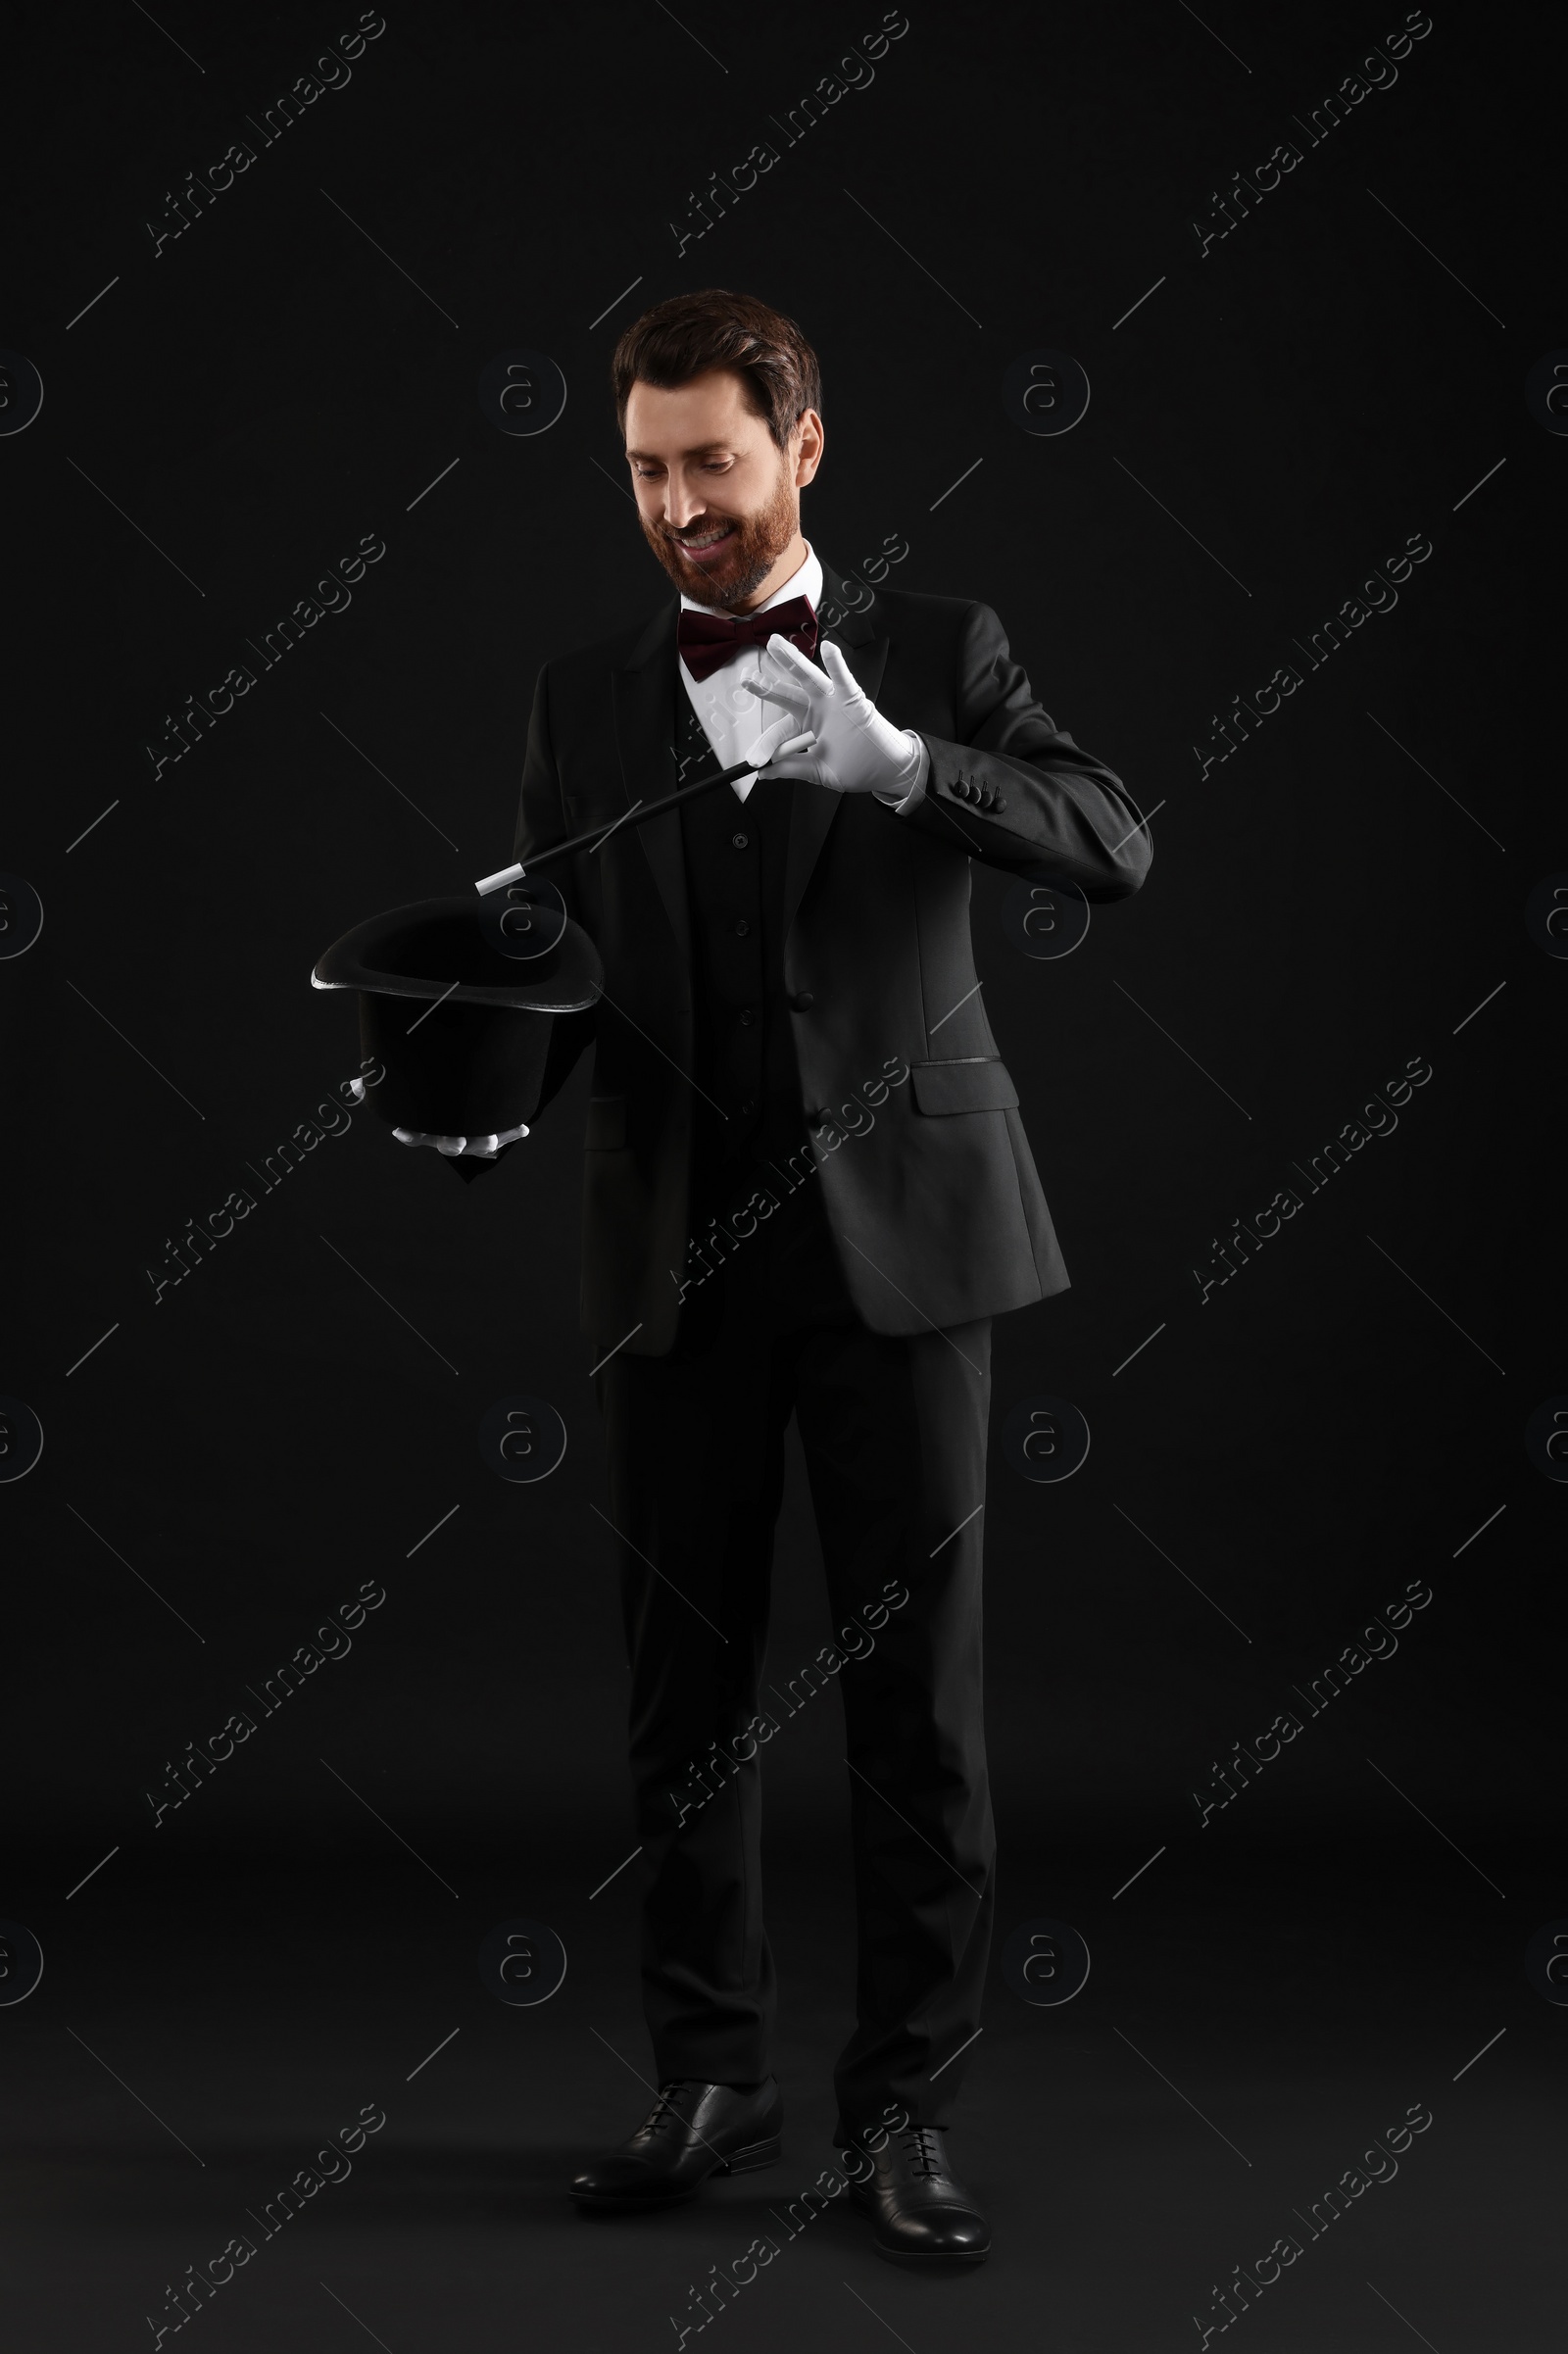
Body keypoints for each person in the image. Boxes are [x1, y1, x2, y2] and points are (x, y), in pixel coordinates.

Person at [494, 288, 1151, 2263]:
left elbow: (1107, 838)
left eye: (709, 460)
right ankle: (711, 2074)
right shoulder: (579, 696)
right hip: (673, 1259)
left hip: (906, 1249)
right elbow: (557, 974)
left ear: (800, 446)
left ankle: (903, 2117)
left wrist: (893, 769)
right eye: (643, 470)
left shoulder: (939, 653)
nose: (678, 505)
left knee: (914, 1713)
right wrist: (469, 1069)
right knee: (678, 1698)